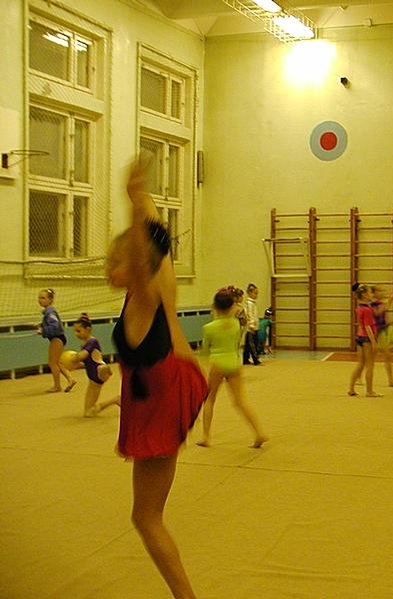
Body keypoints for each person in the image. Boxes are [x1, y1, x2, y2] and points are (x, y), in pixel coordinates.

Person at [106, 157, 208, 599]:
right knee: (146, 516)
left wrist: (134, 211)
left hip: (160, 401)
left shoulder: (145, 299)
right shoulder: (163, 278)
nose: (107, 267)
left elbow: (140, 250)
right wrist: (139, 196)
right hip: (174, 381)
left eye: (115, 260)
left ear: (135, 265)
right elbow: (152, 238)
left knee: (146, 517)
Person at [196, 287, 267, 448]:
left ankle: (206, 436)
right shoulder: (236, 324)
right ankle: (259, 432)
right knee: (240, 401)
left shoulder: (209, 327)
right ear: (231, 306)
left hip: (218, 364)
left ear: (215, 307)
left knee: (209, 399)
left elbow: (205, 351)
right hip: (234, 363)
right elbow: (240, 319)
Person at [71, 313, 120, 417]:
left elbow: (83, 355)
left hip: (98, 374)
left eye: (78, 331)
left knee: (89, 413)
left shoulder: (92, 342)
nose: (76, 334)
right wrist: (75, 365)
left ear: (88, 329)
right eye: (75, 331)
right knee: (88, 411)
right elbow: (86, 362)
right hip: (92, 376)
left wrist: (73, 358)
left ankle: (115, 400)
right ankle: (115, 400)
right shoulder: (85, 344)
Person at [36, 288, 77, 393]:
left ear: (50, 300)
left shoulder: (50, 311)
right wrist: (41, 325)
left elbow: (55, 326)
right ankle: (71, 379)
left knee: (52, 363)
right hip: (58, 338)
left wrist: (43, 330)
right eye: (39, 298)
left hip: (57, 338)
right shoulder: (48, 311)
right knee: (57, 362)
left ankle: (57, 386)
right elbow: (52, 323)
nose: (40, 300)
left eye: (43, 298)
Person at [347, 284, 380, 397]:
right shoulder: (367, 310)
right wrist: (373, 341)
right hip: (367, 339)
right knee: (370, 365)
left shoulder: (360, 308)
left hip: (359, 337)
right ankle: (369, 391)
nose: (372, 294)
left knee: (360, 364)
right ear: (365, 295)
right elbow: (367, 326)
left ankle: (351, 388)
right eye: (370, 292)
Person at [371, 285, 393, 387]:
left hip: (382, 331)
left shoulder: (380, 303)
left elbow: (385, 310)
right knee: (370, 357)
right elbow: (377, 313)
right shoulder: (372, 304)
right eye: (380, 291)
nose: (382, 293)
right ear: (374, 293)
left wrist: (390, 300)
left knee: (387, 356)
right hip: (374, 332)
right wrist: (386, 303)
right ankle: (360, 376)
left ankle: (391, 380)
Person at [242, 283, 261, 366]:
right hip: (250, 327)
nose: (256, 295)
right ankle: (255, 359)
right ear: (249, 293)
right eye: (255, 293)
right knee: (252, 344)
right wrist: (252, 325)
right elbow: (249, 314)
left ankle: (245, 359)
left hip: (254, 326)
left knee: (248, 344)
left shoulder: (253, 303)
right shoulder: (249, 303)